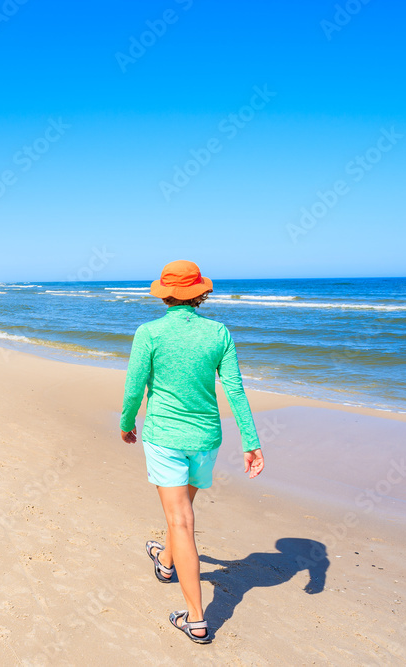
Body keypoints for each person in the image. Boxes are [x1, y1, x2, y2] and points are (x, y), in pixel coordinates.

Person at [119, 260, 264, 644]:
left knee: (181, 521)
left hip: (165, 437)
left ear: (165, 293)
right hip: (205, 440)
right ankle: (166, 562)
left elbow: (135, 386)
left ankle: (196, 618)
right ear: (199, 292)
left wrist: (126, 421)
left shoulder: (149, 333)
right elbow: (235, 390)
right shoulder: (219, 333)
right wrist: (251, 441)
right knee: (181, 511)